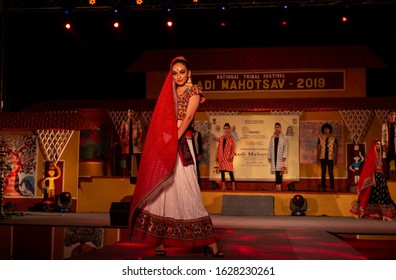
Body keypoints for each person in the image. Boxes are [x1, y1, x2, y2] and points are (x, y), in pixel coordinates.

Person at [128, 56, 224, 258]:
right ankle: (160, 242)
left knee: (188, 190)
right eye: (175, 73)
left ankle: (210, 242)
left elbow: (188, 118)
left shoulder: (194, 91)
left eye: (182, 72)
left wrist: (172, 139)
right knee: (162, 191)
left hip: (181, 143)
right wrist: (162, 141)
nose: (179, 76)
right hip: (165, 143)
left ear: (189, 73)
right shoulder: (169, 93)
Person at [350, 139, 396, 221]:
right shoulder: (372, 155)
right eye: (377, 144)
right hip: (375, 178)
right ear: (374, 145)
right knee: (370, 195)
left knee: (383, 194)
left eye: (379, 144)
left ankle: (384, 214)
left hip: (381, 177)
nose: (378, 146)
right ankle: (359, 212)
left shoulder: (378, 154)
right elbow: (370, 168)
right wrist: (373, 179)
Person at [119, 109, 142, 177]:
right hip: (127, 144)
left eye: (132, 112)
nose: (131, 114)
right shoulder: (125, 122)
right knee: (126, 159)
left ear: (134, 113)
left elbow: (140, 132)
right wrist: (122, 141)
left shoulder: (137, 122)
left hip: (135, 144)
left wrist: (139, 140)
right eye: (129, 112)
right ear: (127, 113)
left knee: (138, 158)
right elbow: (121, 133)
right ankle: (126, 173)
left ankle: (139, 173)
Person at [317, 123, 337, 192]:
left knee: (331, 172)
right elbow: (318, 148)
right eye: (325, 129)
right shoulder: (320, 138)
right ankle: (323, 186)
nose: (326, 130)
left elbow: (335, 149)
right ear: (323, 130)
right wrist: (317, 158)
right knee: (323, 172)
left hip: (331, 158)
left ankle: (332, 187)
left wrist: (335, 159)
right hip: (322, 157)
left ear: (330, 130)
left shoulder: (333, 138)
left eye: (328, 129)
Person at [267, 122, 288, 191]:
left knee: (280, 171)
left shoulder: (283, 137)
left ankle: (279, 185)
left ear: (280, 128)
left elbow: (286, 147)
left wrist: (284, 155)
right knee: (276, 171)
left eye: (278, 127)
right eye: (276, 127)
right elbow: (270, 147)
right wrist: (269, 156)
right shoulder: (272, 137)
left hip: (281, 156)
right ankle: (277, 185)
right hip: (274, 155)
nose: (277, 128)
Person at [216, 123, 236, 191]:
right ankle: (224, 186)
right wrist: (217, 156)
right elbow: (219, 147)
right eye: (225, 128)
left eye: (227, 128)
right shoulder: (221, 138)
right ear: (223, 129)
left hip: (228, 157)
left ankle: (233, 186)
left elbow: (233, 148)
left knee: (230, 171)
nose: (226, 130)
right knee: (222, 171)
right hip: (221, 156)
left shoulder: (231, 138)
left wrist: (231, 157)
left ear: (229, 129)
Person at [381, 110, 396, 180]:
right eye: (391, 115)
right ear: (388, 116)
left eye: (393, 115)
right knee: (386, 164)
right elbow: (382, 136)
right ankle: (386, 178)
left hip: (395, 147)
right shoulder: (385, 125)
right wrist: (383, 146)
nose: (392, 116)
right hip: (388, 147)